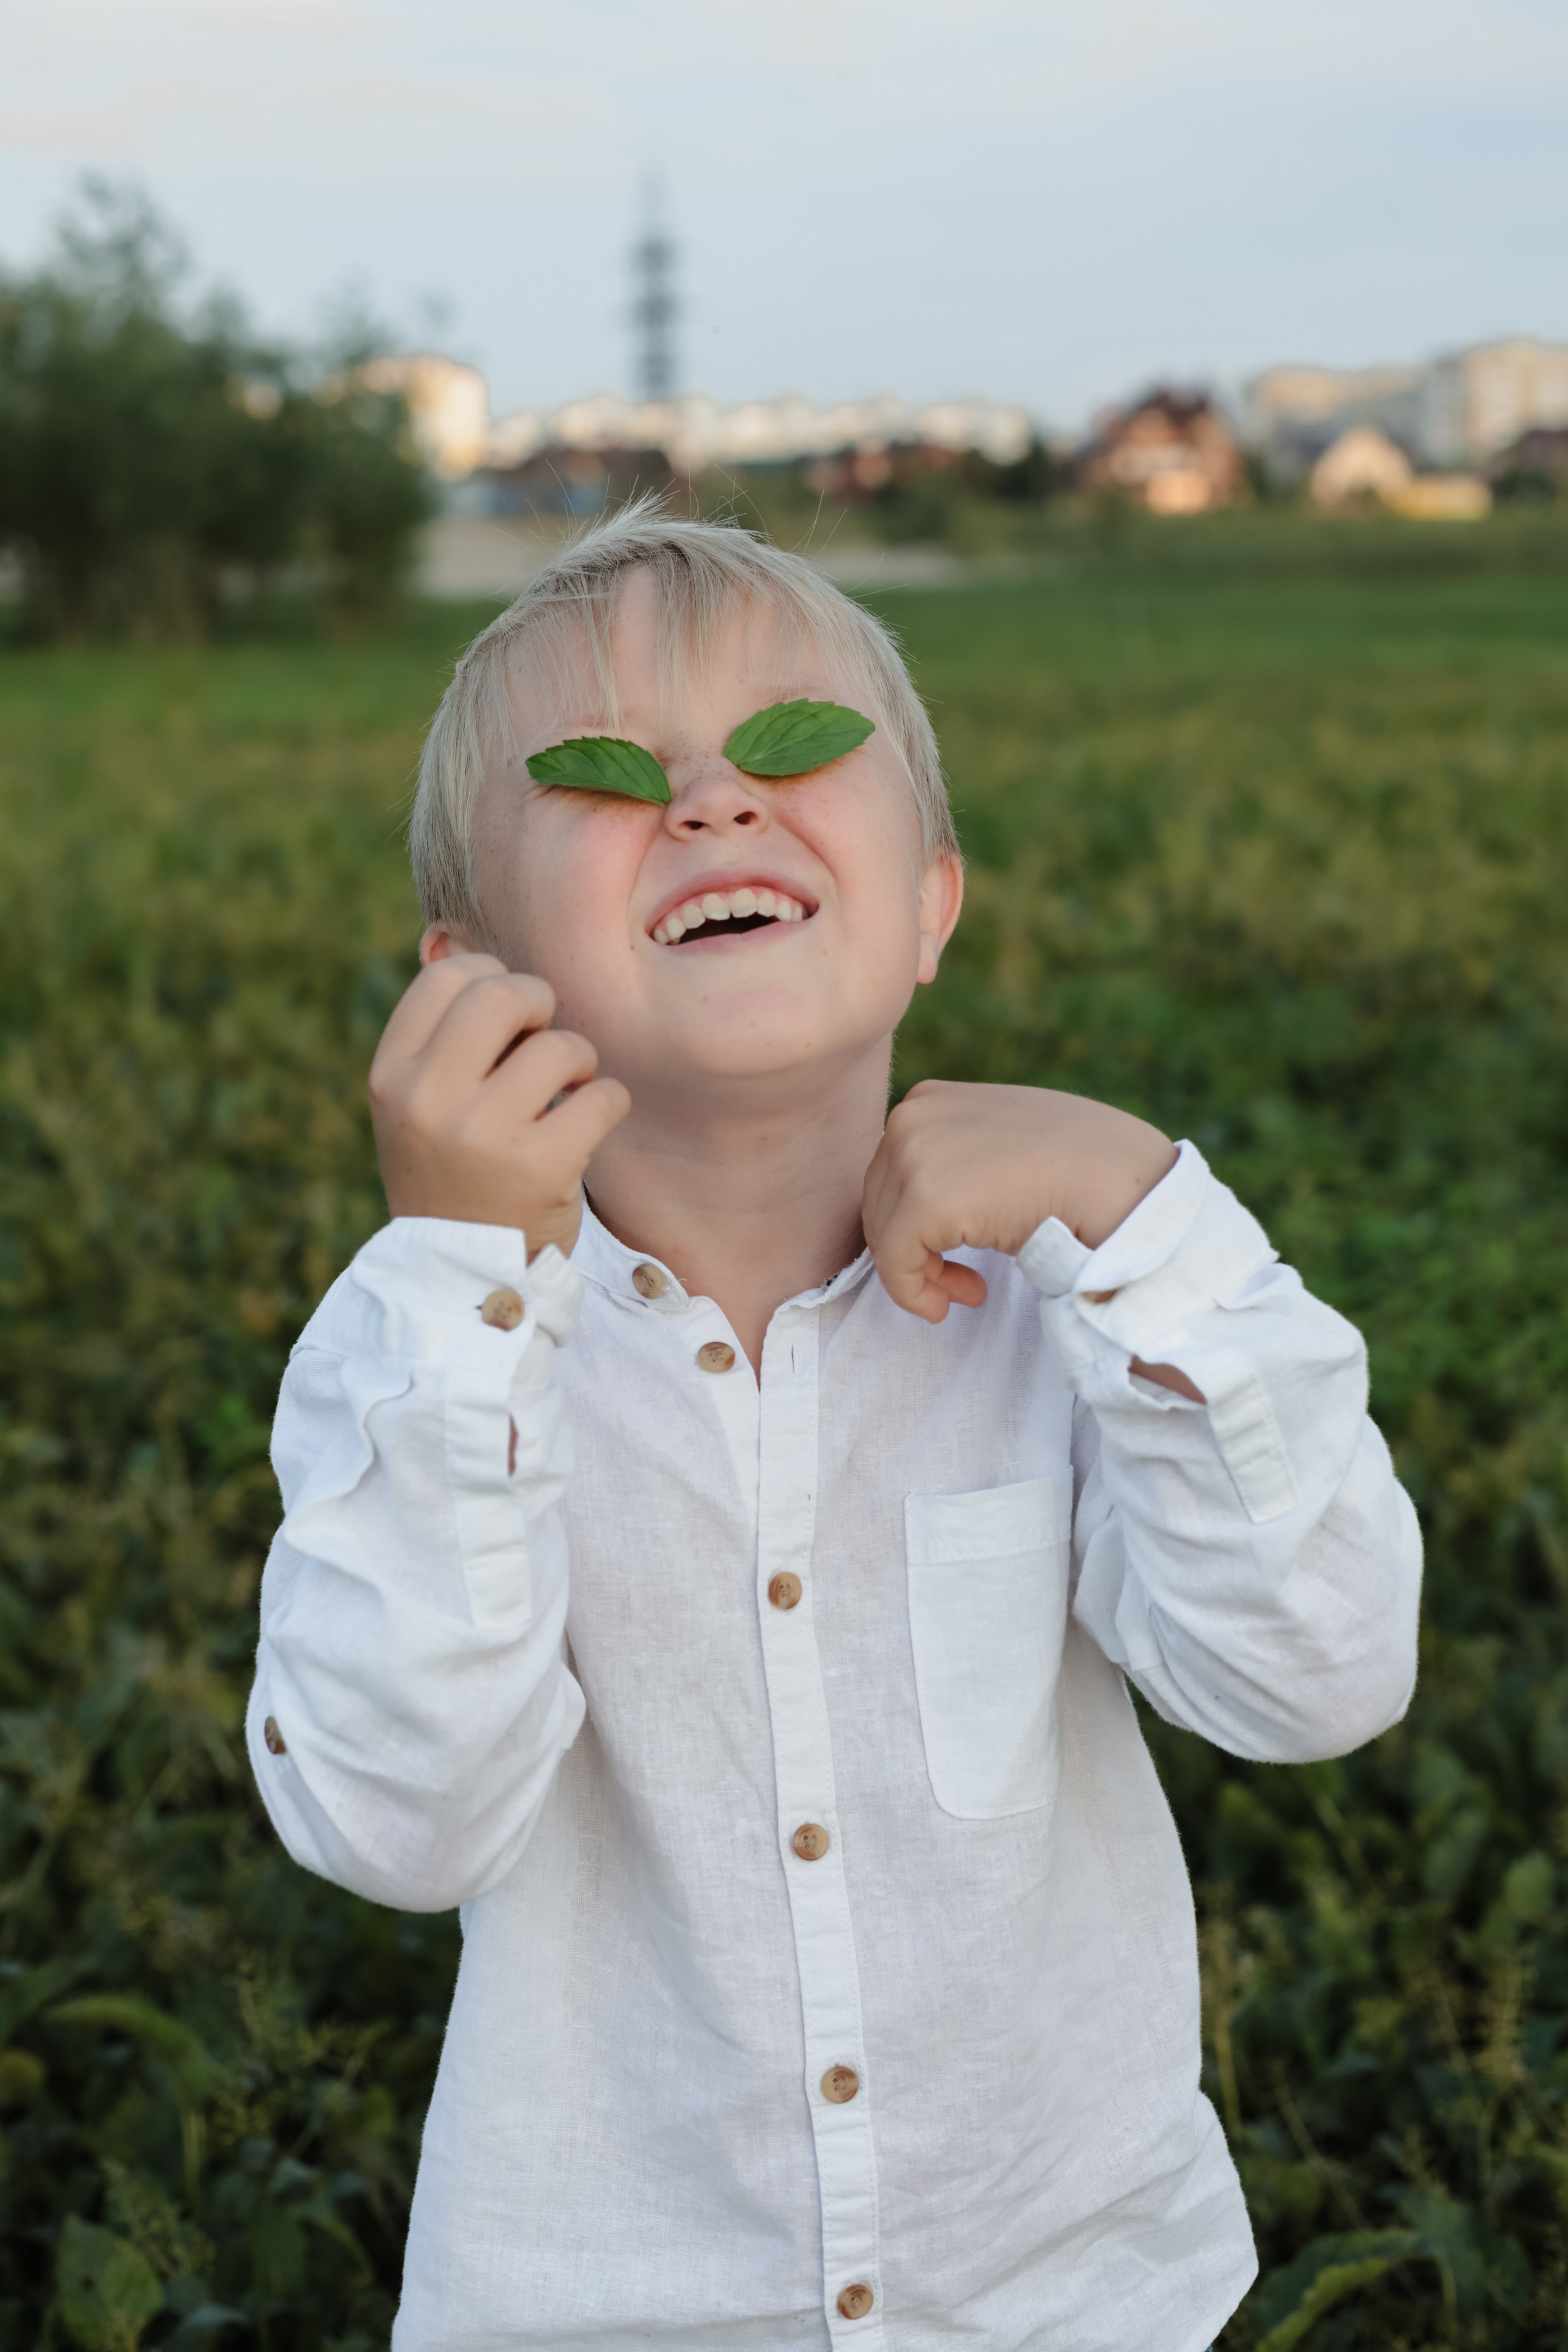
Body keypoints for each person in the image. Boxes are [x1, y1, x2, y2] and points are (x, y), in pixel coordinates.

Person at [247, 507, 1422, 2352]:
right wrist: (463, 1274)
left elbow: (1320, 1676)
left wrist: (1140, 1204)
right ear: (467, 975)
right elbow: (396, 1822)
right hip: (606, 2313)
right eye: (605, 771)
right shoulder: (428, 1349)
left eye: (791, 743)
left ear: (935, 897)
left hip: (1078, 2303)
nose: (713, 802)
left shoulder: (1077, 1304)